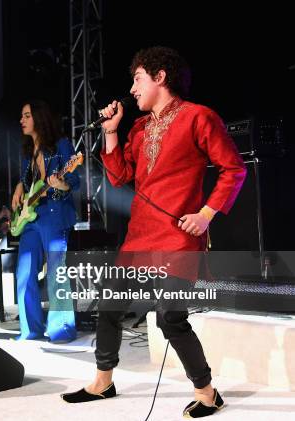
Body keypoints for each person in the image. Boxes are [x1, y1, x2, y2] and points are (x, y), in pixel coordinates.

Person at [60, 47, 246, 419]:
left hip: (178, 239)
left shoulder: (199, 117)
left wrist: (207, 214)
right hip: (139, 236)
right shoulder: (140, 128)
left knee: (169, 318)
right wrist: (111, 134)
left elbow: (234, 170)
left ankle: (208, 393)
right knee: (109, 305)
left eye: (138, 78)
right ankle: (103, 382)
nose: (132, 89)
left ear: (161, 77)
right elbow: (119, 177)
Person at [11, 100, 80, 343]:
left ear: (39, 119)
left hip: (53, 214)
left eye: (27, 115)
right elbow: (26, 179)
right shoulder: (28, 152)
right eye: (22, 115)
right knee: (24, 272)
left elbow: (74, 181)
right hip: (31, 218)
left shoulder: (61, 146)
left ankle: (61, 329)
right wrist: (19, 185)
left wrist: (60, 183)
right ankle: (30, 329)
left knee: (56, 272)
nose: (22, 120)